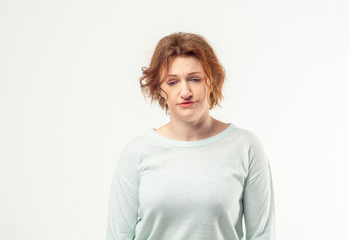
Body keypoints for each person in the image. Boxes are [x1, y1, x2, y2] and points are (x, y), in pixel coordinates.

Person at [106, 32, 275, 240]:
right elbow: (118, 235)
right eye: (172, 82)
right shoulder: (137, 152)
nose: (185, 92)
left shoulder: (245, 147)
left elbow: (261, 235)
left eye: (194, 79)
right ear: (159, 88)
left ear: (210, 81)